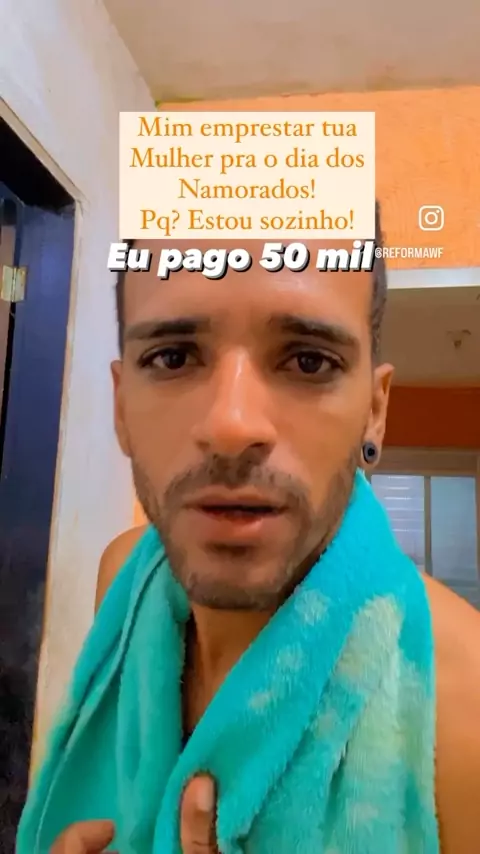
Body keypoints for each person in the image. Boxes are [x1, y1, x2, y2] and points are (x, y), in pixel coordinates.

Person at [21, 216, 480, 854]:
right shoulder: (122, 578)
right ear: (121, 407)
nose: (231, 425)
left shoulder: (464, 713)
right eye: (173, 357)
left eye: (309, 360)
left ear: (374, 410)